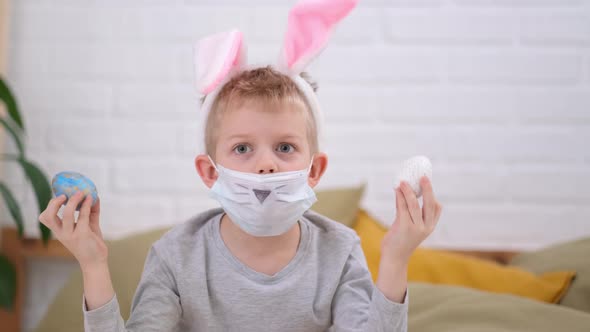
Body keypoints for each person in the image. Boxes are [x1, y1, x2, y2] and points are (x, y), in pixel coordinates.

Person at [38, 1, 442, 331]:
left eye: (285, 146)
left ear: (314, 170)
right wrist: (92, 263)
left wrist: (395, 258)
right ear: (210, 171)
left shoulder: (340, 251)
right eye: (243, 149)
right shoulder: (176, 256)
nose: (265, 165)